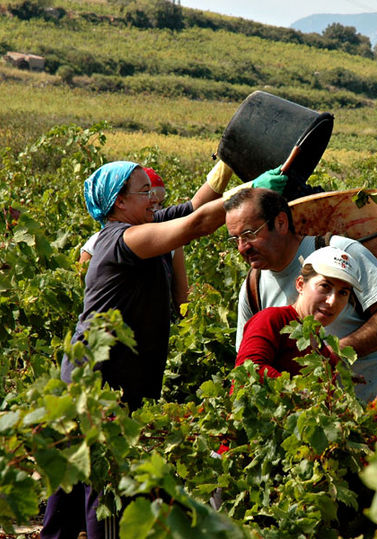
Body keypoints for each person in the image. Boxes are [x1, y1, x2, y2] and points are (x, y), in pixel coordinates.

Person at [42, 161, 288, 539]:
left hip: (101, 378)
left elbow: (193, 208)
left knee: (73, 478)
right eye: (145, 192)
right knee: (108, 486)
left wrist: (228, 168)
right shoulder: (123, 240)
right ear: (119, 202)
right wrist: (252, 195)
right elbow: (197, 224)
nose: (155, 198)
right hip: (103, 384)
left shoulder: (144, 228)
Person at [224, 187, 377, 414]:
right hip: (336, 425)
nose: (242, 247)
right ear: (300, 284)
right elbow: (248, 365)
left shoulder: (339, 252)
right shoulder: (251, 288)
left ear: (281, 223)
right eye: (236, 239)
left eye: (250, 234)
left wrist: (334, 355)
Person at [235, 246, 361, 380]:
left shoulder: (321, 351)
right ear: (300, 285)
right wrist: (300, 392)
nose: (332, 301)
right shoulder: (272, 320)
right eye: (324, 286)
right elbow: (248, 370)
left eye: (343, 293)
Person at [78, 167, 189, 314]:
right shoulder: (95, 245)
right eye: (146, 194)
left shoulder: (172, 245)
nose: (155, 206)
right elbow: (86, 301)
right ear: (120, 201)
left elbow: (182, 299)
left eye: (161, 203)